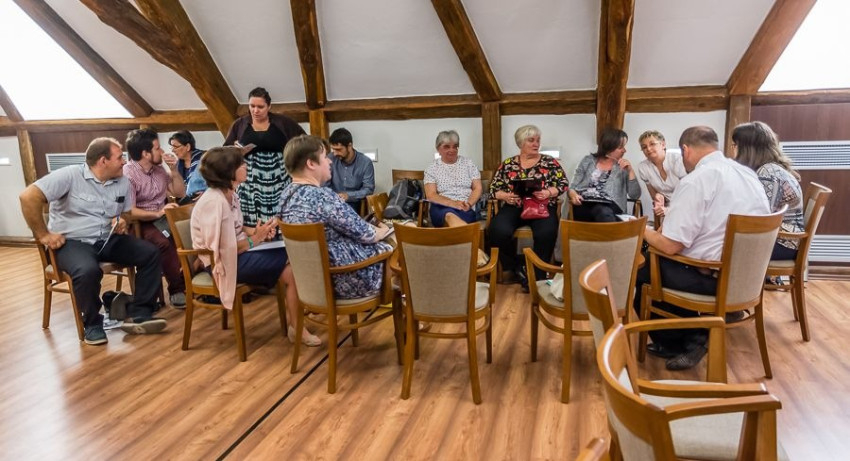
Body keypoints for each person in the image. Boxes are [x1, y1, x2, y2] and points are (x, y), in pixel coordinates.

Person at [635, 126, 770, 370]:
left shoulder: (696, 180)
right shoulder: (747, 174)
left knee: (643, 267)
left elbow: (671, 245)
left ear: (685, 150)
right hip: (749, 278)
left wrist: (640, 229)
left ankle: (690, 339)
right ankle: (687, 336)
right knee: (664, 261)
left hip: (715, 278)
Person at [19, 137, 166, 345]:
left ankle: (140, 311)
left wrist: (122, 219)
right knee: (87, 270)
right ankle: (92, 323)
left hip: (107, 238)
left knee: (150, 253)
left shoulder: (123, 181)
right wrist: (43, 235)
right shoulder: (70, 175)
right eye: (119, 157)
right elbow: (28, 197)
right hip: (72, 242)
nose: (124, 161)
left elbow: (125, 212)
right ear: (103, 161)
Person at [191, 146, 320, 346]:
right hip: (225, 263)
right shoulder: (214, 202)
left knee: (293, 262)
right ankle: (298, 324)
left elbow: (235, 226)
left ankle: (296, 324)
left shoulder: (229, 194)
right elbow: (224, 249)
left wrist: (255, 231)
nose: (246, 166)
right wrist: (256, 239)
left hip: (239, 255)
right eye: (241, 164)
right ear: (229, 171)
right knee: (292, 263)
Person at [279, 135, 393, 300]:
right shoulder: (323, 197)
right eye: (325, 157)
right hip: (343, 279)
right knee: (397, 243)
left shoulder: (286, 195)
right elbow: (367, 235)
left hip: (309, 281)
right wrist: (385, 230)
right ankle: (404, 304)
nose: (330, 161)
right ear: (311, 164)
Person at [489, 125, 569, 291]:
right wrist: (506, 196)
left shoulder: (550, 162)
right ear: (520, 143)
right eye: (531, 140)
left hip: (541, 206)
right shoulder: (508, 164)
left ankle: (537, 275)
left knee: (546, 232)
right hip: (514, 205)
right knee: (498, 230)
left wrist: (548, 192)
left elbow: (563, 184)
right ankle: (517, 267)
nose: (536, 144)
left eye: (538, 140)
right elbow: (493, 189)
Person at [224, 86, 306, 229]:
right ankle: (255, 236)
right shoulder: (240, 124)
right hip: (250, 182)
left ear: (269, 106)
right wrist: (236, 151)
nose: (255, 110)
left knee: (281, 214)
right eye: (252, 106)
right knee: (252, 219)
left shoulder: (283, 123)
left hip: (280, 180)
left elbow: (303, 142)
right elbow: (225, 150)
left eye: (260, 107)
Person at [124, 128, 187, 308]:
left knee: (189, 235)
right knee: (164, 242)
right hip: (140, 223)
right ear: (146, 153)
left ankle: (191, 281)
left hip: (163, 219)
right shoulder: (128, 175)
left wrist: (174, 170)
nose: (162, 151)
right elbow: (129, 211)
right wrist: (158, 213)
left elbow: (180, 193)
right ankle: (177, 289)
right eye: (157, 148)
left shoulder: (159, 170)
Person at [732, 121, 804, 260]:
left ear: (747, 149)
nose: (733, 151)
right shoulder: (770, 168)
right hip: (781, 238)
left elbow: (762, 217)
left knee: (720, 246)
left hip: (783, 242)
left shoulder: (768, 173)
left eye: (735, 145)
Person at [568, 128, 641, 222]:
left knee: (601, 211)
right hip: (584, 204)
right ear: (609, 146)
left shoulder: (623, 166)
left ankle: (611, 229)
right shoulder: (587, 160)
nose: (624, 150)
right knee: (595, 210)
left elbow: (635, 195)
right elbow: (572, 187)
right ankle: (614, 230)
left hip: (611, 208)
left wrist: (630, 171)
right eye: (620, 147)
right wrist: (573, 195)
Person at [423, 130, 482, 227]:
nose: (452, 150)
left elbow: (477, 188)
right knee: (449, 215)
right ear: (438, 149)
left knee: (453, 217)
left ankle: (461, 233)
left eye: (455, 146)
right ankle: (467, 234)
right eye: (446, 147)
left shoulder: (468, 164)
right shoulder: (432, 168)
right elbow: (431, 195)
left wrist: (469, 204)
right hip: (441, 206)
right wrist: (453, 203)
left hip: (465, 207)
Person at [636, 130, 687, 218]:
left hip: (686, 206)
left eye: (652, 144)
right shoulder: (643, 167)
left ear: (663, 144)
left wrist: (670, 210)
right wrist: (658, 196)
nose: (648, 149)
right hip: (665, 208)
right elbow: (654, 196)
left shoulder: (678, 160)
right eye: (644, 147)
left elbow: (689, 193)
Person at [326, 127, 375, 213]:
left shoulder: (365, 162)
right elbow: (324, 184)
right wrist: (332, 197)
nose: (335, 153)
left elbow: (368, 189)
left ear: (349, 146)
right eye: (333, 149)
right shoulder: (330, 159)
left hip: (353, 204)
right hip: (332, 203)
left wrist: (348, 196)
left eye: (338, 149)